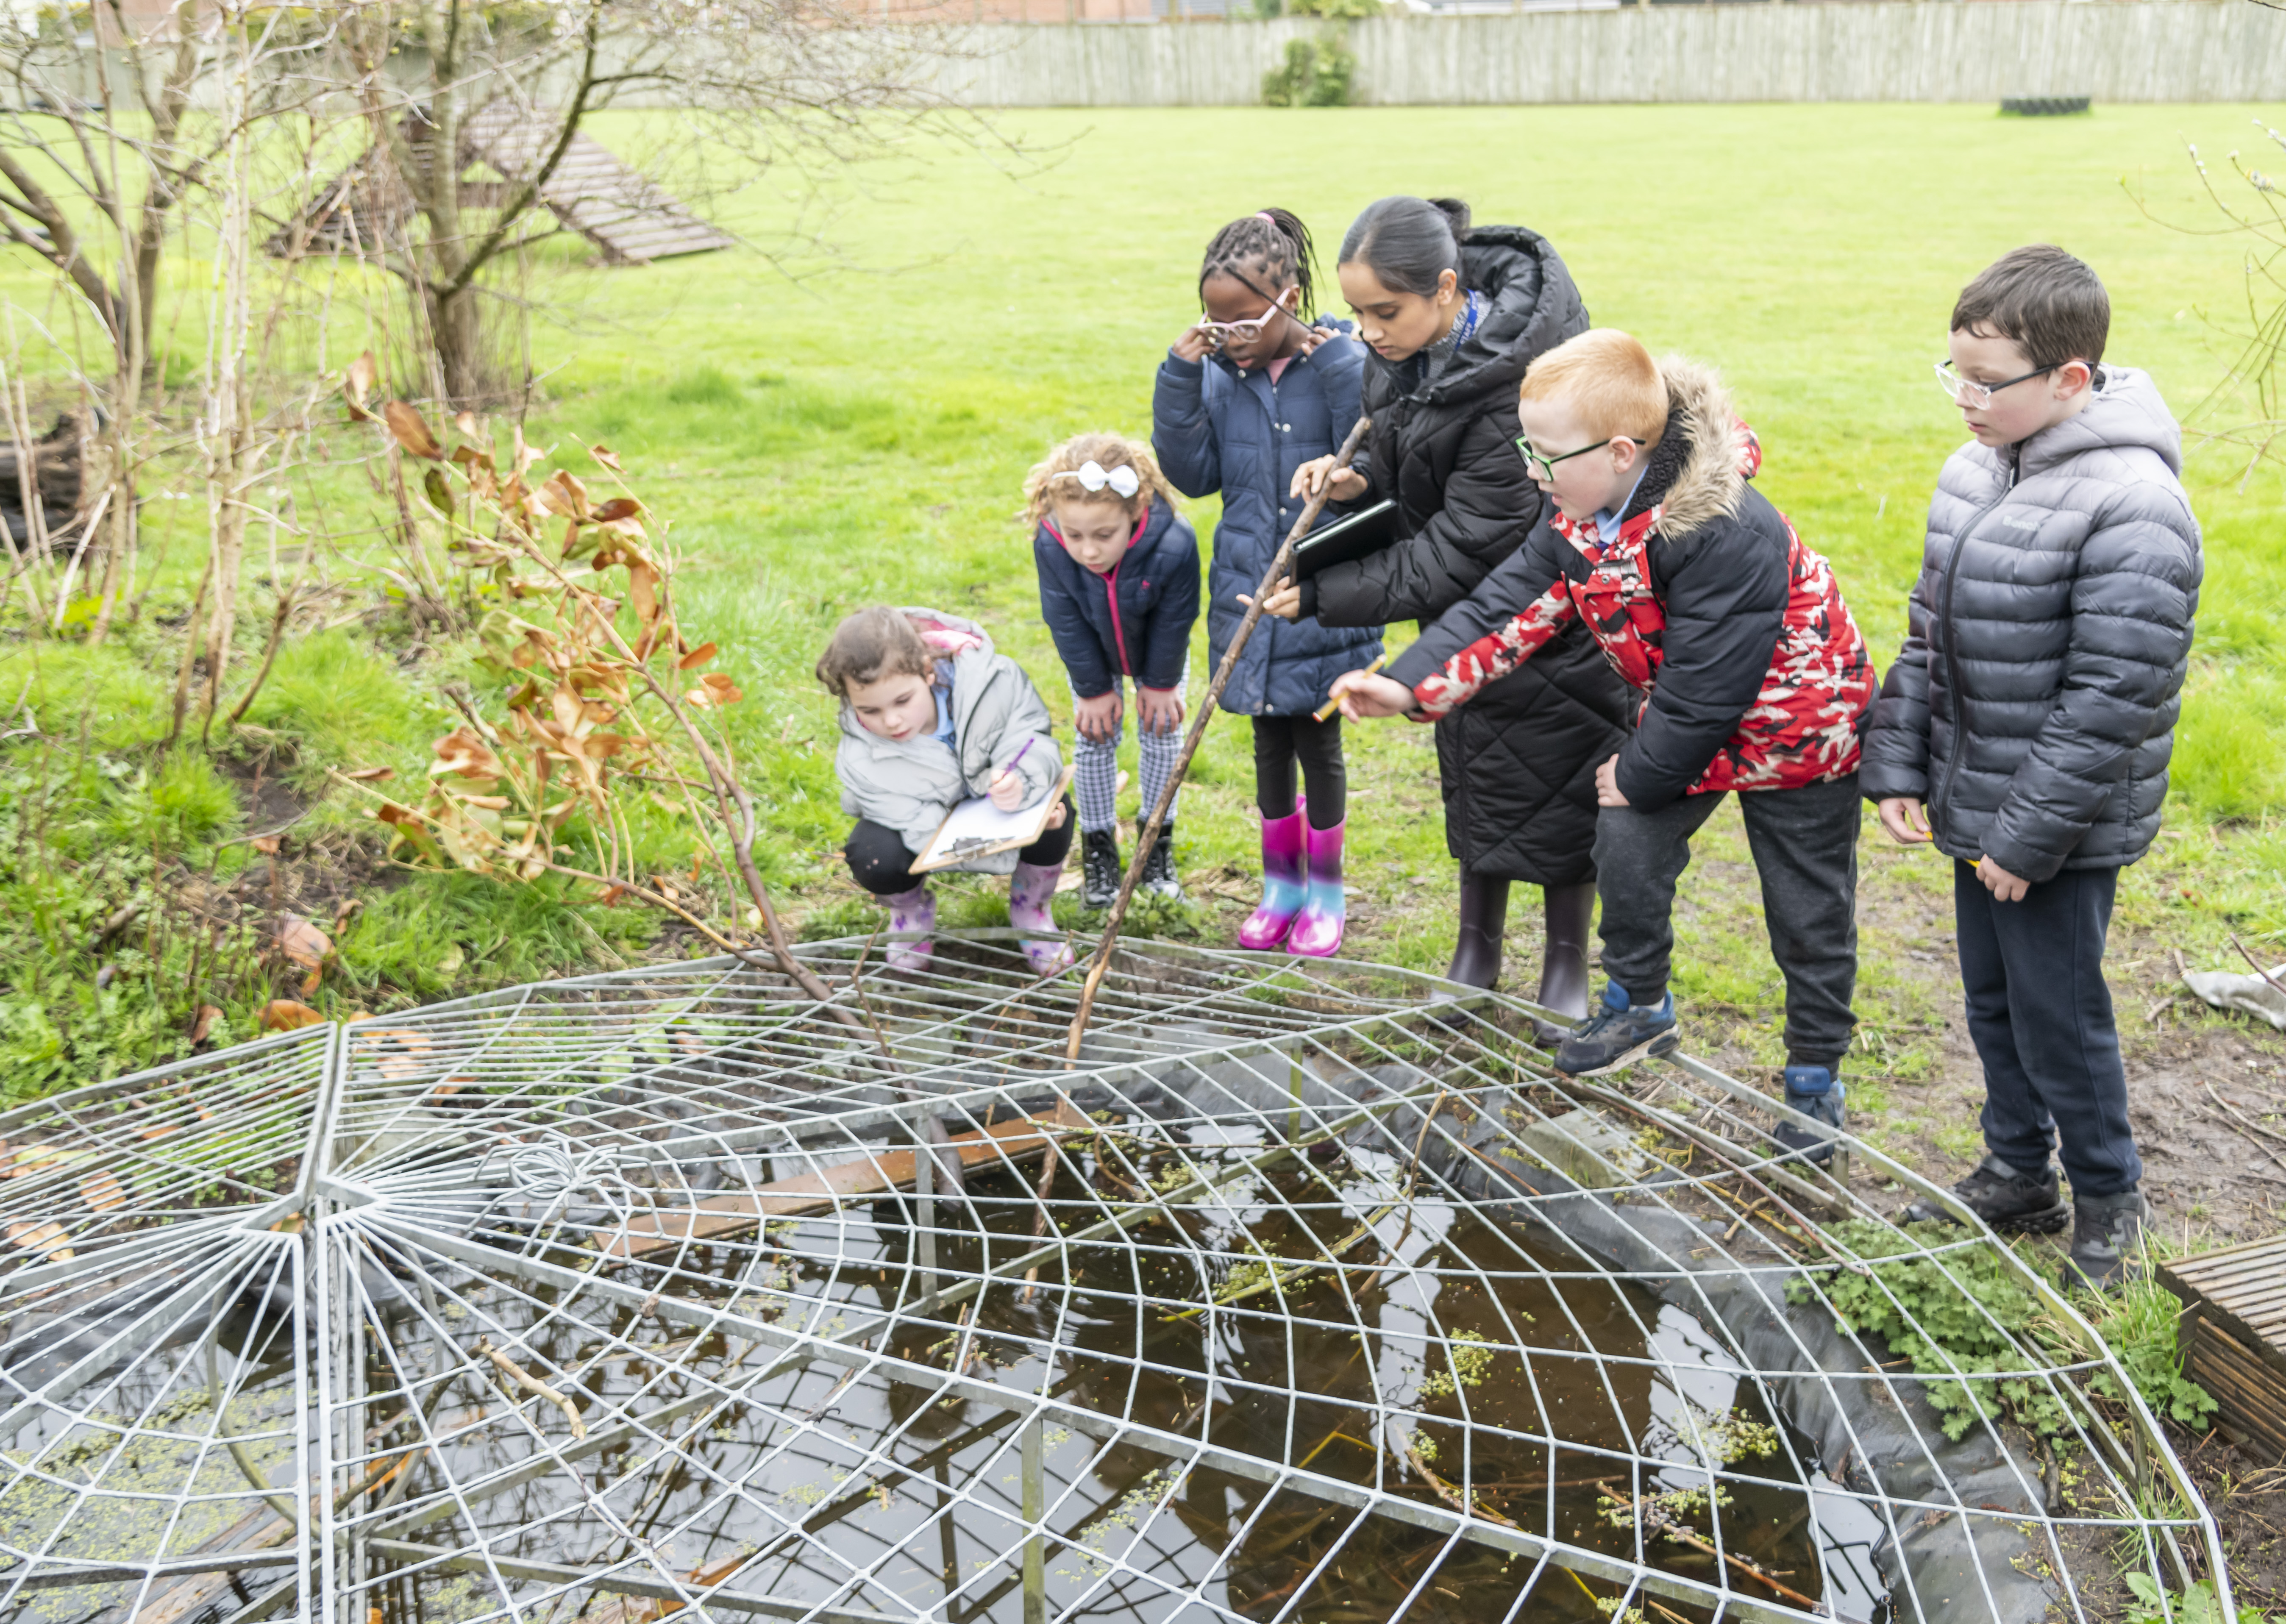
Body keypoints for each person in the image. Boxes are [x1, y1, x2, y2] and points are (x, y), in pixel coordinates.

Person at [1332, 330, 1876, 1163]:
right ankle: (1640, 1002)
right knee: (1623, 834)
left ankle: (1813, 1085)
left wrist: (1647, 768)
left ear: (1623, 451)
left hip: (1799, 725)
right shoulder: (1582, 516)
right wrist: (1410, 683)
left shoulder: (1723, 528)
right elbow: (1508, 604)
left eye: (1547, 453)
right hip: (1692, 717)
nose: (1531, 469)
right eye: (1528, 446)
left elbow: (1712, 682)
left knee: (1806, 911)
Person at [1862, 246, 2202, 1291]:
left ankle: (2110, 1196)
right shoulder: (1975, 468)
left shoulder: (2133, 508)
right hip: (1976, 799)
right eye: (1952, 372)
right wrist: (1898, 762)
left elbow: (2111, 697)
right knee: (1991, 999)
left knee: (2059, 1013)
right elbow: (1928, 634)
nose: (1963, 398)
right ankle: (2017, 1172)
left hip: (2054, 823)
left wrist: (2024, 835)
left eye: (1986, 380)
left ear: (2068, 378)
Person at [1266, 196, 1630, 1032]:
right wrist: (1359, 484)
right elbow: (1419, 481)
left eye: (1383, 311)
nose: (1367, 330)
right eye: (1357, 311)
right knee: (1479, 781)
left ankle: (1567, 958)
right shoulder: (1406, 353)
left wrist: (1327, 593)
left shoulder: (1522, 386)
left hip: (1556, 616)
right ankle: (1477, 948)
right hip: (1468, 621)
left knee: (1563, 785)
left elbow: (1466, 543)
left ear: (1445, 287)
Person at [1152, 207, 1378, 956]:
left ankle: (1324, 892)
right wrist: (1181, 377)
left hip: (1322, 592)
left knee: (1318, 740)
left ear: (1287, 300)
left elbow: (1380, 483)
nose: (1229, 338)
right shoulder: (1217, 375)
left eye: (1242, 323)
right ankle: (1278, 887)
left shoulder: (1344, 369)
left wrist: (1348, 485)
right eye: (1215, 325)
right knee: (1265, 742)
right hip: (1246, 587)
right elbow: (1194, 474)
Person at [820, 606, 1075, 976]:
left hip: (998, 799)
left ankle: (1030, 907)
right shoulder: (861, 754)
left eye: (903, 701)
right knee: (872, 855)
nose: (891, 721)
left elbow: (1029, 737)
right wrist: (1007, 838)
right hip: (928, 827)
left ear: (928, 671)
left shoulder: (994, 680)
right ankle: (910, 912)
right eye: (869, 710)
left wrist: (1018, 778)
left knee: (1055, 805)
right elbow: (918, 826)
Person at [1026, 433, 1200, 909]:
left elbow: (1176, 619)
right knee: (1094, 737)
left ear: (1136, 510)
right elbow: (1063, 617)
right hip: (1092, 652)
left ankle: (1154, 847)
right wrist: (1093, 689)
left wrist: (1161, 684)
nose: (1088, 551)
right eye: (1075, 534)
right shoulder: (1052, 542)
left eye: (1104, 535)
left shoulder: (1175, 542)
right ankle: (1099, 849)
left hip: (1157, 654)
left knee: (1163, 732)